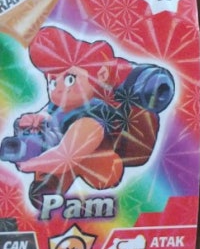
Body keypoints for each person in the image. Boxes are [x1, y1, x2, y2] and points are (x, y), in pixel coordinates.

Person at [12, 26, 171, 208]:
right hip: (82, 148)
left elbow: (66, 156)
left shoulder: (93, 112)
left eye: (69, 79)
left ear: (101, 75)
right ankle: (50, 184)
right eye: (52, 82)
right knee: (57, 144)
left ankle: (80, 170)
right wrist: (40, 116)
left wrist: (30, 164)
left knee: (86, 154)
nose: (59, 89)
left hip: (123, 146)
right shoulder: (69, 101)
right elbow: (53, 111)